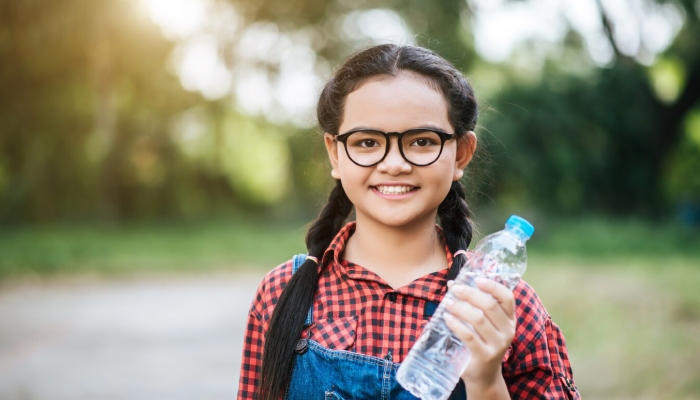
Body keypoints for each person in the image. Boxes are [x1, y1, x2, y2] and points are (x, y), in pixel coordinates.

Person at [237, 44, 580, 400]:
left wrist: (485, 380)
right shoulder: (282, 292)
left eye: (420, 141)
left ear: (460, 153)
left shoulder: (502, 306)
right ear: (335, 154)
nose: (395, 164)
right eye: (367, 142)